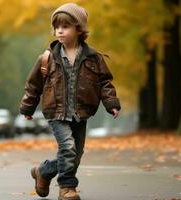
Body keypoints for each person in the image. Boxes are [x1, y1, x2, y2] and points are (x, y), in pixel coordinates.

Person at [19, 3, 121, 200]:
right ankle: (67, 188)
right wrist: (28, 106)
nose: (59, 31)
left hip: (80, 112)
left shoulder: (93, 58)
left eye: (65, 27)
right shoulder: (47, 58)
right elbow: (33, 85)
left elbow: (104, 83)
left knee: (76, 153)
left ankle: (44, 171)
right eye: (56, 27)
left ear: (78, 29)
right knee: (67, 148)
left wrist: (111, 103)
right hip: (56, 112)